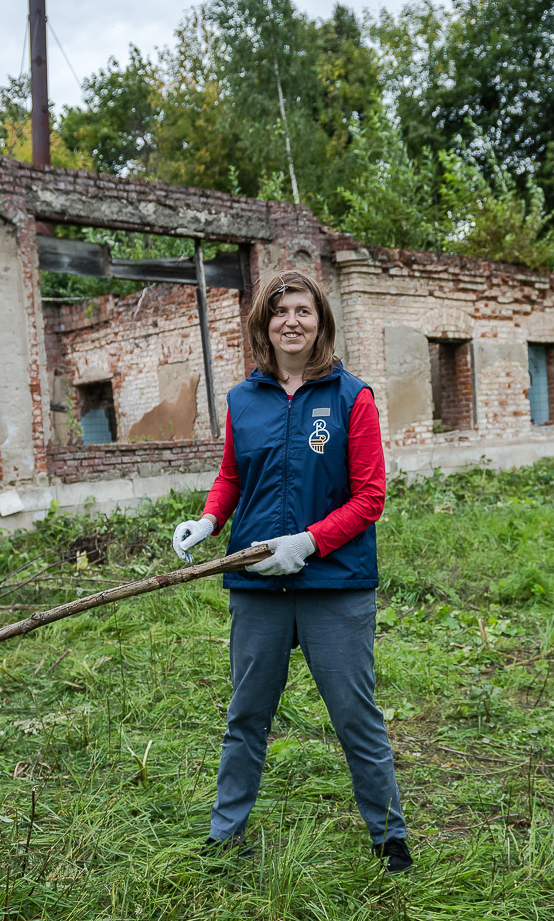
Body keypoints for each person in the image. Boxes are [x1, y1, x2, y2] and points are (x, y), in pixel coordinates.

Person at [171, 269, 412, 873]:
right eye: (280, 312)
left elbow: (371, 496)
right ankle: (226, 835)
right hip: (257, 582)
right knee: (247, 712)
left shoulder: (351, 397)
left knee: (355, 714)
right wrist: (208, 521)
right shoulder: (242, 400)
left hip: (336, 583)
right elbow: (232, 476)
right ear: (264, 324)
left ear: (320, 320)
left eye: (303, 310)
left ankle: (390, 838)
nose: (292, 321)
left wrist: (307, 543)